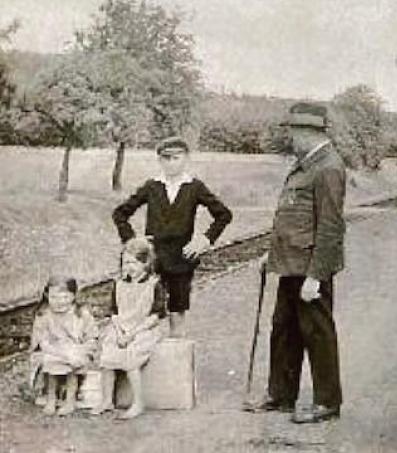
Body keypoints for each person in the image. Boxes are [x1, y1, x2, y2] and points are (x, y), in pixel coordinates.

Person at [244, 102, 346, 424]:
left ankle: (327, 403)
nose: (288, 136)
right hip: (289, 264)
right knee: (283, 330)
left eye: (292, 130)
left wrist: (316, 276)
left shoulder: (328, 167)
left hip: (310, 267)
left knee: (317, 332)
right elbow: (292, 217)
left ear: (307, 132)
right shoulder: (306, 164)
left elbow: (330, 227)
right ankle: (281, 395)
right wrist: (271, 255)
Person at [112, 137, 232, 338]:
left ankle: (175, 363)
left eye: (176, 158)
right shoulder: (152, 186)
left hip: (181, 259)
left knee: (177, 312)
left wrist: (204, 240)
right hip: (151, 262)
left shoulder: (194, 187)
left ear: (186, 159)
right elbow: (120, 214)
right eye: (165, 158)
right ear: (159, 160)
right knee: (145, 312)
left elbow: (224, 215)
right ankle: (142, 360)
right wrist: (133, 244)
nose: (171, 163)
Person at [95, 237, 165, 419]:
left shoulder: (154, 285)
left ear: (146, 263)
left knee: (131, 355)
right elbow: (114, 312)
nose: (129, 267)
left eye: (134, 263)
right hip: (121, 327)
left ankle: (138, 402)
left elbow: (156, 316)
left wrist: (132, 334)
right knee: (107, 351)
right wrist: (119, 332)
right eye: (126, 263)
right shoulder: (118, 284)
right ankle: (106, 400)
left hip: (145, 328)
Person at [30, 276, 98, 416]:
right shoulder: (44, 315)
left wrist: (79, 352)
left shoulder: (81, 314)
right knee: (51, 363)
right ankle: (51, 398)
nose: (59, 302)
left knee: (73, 365)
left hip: (76, 349)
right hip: (53, 350)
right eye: (54, 297)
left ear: (73, 296)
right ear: (47, 295)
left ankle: (70, 400)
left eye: (64, 297)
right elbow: (43, 342)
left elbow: (91, 337)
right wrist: (64, 355)